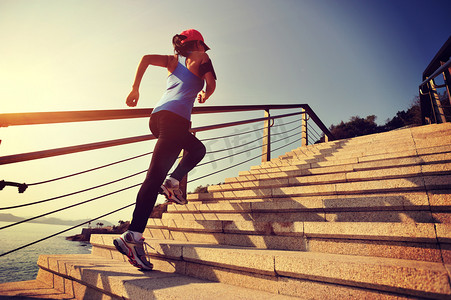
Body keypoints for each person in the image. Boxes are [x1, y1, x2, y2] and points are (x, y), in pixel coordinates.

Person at [113, 29, 217, 270]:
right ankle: (133, 236)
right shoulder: (201, 58)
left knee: (197, 149)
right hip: (175, 121)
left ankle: (172, 183)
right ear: (199, 44)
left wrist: (135, 88)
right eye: (203, 46)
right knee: (153, 178)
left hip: (157, 118)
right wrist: (205, 94)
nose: (205, 50)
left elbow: (146, 58)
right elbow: (211, 84)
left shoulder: (174, 61)